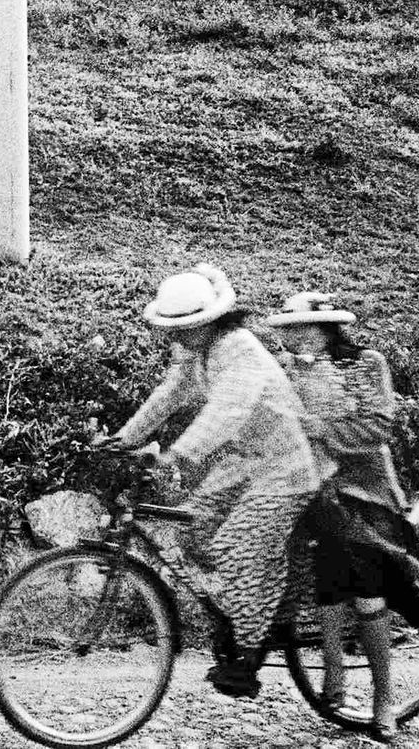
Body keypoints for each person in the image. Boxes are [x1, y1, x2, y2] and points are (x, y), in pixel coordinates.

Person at [93, 264, 332, 698]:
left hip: (284, 467)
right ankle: (245, 610)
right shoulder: (194, 350)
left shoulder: (239, 348)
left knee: (237, 546)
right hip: (241, 464)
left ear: (211, 320)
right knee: (191, 527)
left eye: (187, 326)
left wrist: (179, 455)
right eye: (173, 327)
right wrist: (125, 438)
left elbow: (228, 409)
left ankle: (248, 653)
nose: (178, 335)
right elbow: (170, 393)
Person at [268, 292, 413, 743]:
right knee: (324, 582)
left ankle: (384, 698)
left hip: (364, 492)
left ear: (327, 329)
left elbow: (380, 425)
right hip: (313, 488)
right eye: (288, 331)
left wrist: (320, 430)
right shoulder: (287, 370)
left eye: (302, 329)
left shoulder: (365, 365)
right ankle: (331, 671)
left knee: (365, 588)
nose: (293, 339)